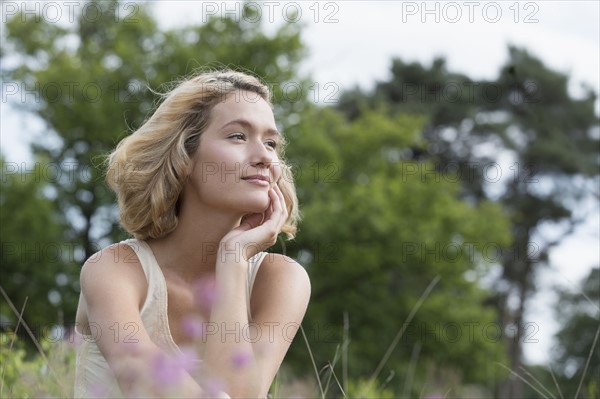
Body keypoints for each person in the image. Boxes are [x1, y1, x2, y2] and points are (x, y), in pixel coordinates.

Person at [73, 70, 311, 398]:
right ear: (185, 156)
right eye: (238, 136)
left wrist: (232, 259)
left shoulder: (280, 279)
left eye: (271, 143)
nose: (265, 157)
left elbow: (238, 393)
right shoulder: (114, 271)